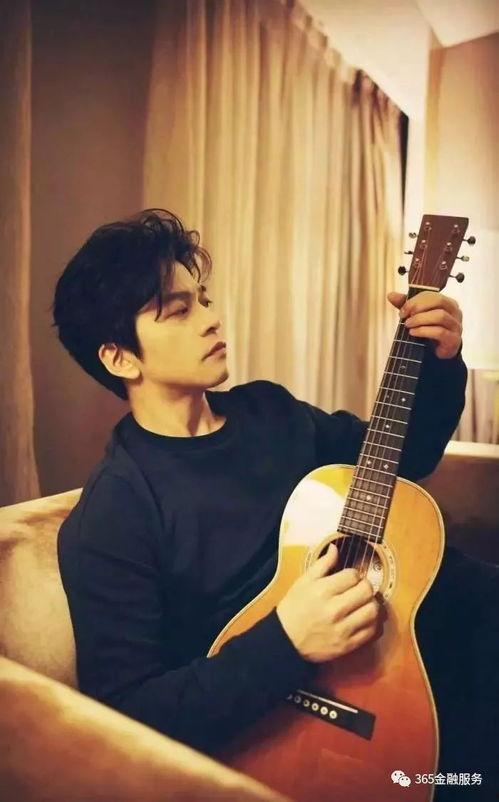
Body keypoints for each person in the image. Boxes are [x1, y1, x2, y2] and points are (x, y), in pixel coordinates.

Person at [54, 209, 498, 800]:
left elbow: (402, 455)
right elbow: (125, 713)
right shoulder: (113, 513)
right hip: (296, 715)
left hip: (414, 642)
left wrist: (440, 359)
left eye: (204, 299)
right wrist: (287, 640)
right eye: (180, 311)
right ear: (119, 358)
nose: (212, 319)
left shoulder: (269, 411)